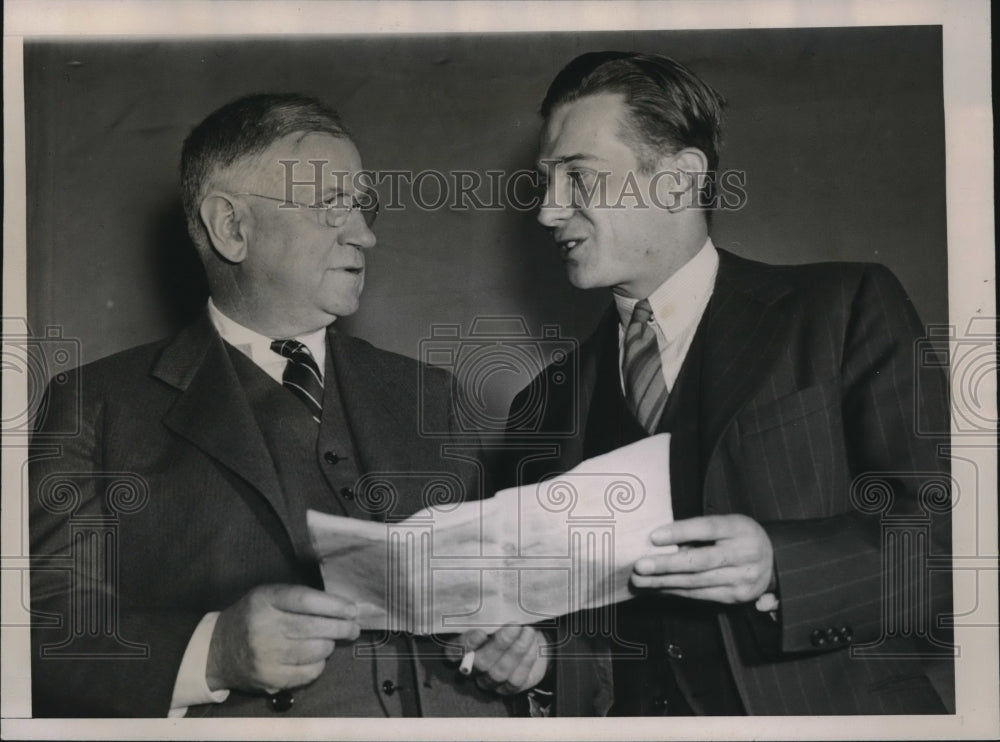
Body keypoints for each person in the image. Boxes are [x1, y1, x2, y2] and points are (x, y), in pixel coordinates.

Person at [29, 93, 543, 717]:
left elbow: (517, 610)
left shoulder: (433, 395)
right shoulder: (97, 405)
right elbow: (43, 634)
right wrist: (212, 652)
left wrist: (526, 653)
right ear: (232, 227)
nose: (365, 234)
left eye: (363, 206)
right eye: (331, 205)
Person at [502, 52, 953, 716]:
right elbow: (563, 645)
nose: (547, 212)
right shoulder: (540, 406)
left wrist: (780, 563)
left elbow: (949, 548)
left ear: (680, 181)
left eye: (578, 177)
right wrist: (531, 665)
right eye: (546, 183)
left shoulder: (844, 309)